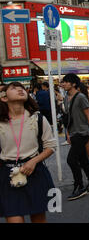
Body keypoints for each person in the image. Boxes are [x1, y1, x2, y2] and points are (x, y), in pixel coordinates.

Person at [0, 82, 56, 223]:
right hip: (8, 175)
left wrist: (33, 161)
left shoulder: (38, 119)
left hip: (35, 172)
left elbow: (51, 146)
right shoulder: (1, 122)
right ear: (4, 98)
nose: (20, 89)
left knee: (38, 219)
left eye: (22, 88)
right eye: (14, 88)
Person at [62, 74, 89, 201]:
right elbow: (67, 118)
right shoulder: (66, 98)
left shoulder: (81, 97)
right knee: (83, 159)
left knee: (71, 160)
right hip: (73, 133)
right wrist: (67, 133)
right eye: (63, 82)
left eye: (66, 82)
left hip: (82, 133)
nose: (63, 84)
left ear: (73, 84)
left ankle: (80, 186)